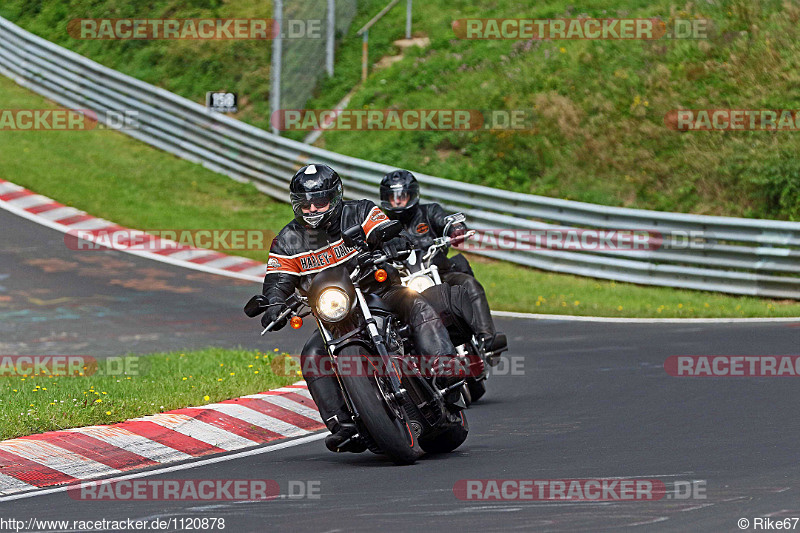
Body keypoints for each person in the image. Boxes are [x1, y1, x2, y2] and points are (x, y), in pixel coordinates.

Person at [261, 163, 459, 453]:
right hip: (336, 314)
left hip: (378, 291)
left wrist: (392, 244)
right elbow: (277, 280)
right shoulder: (287, 241)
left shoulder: (362, 211)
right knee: (313, 353)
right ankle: (343, 426)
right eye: (305, 204)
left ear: (336, 196)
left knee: (414, 303)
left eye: (320, 202)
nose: (313, 209)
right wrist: (274, 304)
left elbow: (389, 231)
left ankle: (445, 366)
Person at [379, 169, 507, 360]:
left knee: (468, 284)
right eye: (392, 197)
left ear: (412, 195)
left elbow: (446, 222)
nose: (397, 201)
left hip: (439, 272)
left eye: (402, 196)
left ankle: (486, 339)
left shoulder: (429, 212)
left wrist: (455, 229)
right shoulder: (383, 225)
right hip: (405, 280)